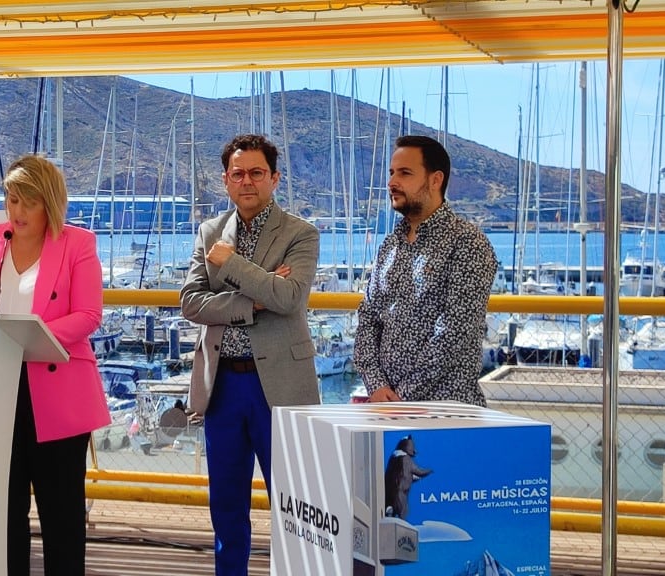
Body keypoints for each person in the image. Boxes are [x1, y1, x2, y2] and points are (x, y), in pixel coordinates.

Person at [0, 154, 108, 576]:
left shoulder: (78, 242)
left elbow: (88, 314)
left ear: (49, 203)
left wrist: (30, 335)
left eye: (27, 202)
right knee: (2, 512)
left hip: (57, 395)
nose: (16, 212)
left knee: (62, 517)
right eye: (11, 200)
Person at [180, 133, 321, 576]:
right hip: (222, 385)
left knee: (296, 504)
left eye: (257, 173)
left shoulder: (301, 233)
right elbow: (190, 302)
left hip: (281, 386)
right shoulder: (209, 232)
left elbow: (290, 296)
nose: (247, 181)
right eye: (238, 173)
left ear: (274, 178)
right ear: (225, 180)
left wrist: (233, 266)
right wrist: (254, 298)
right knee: (226, 504)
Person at [353, 135, 498, 406]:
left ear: (435, 180)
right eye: (392, 173)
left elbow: (456, 332)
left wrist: (402, 397)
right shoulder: (390, 245)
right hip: (387, 408)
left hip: (445, 411)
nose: (392, 182)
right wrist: (375, 384)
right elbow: (369, 316)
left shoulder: (467, 242)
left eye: (405, 173)